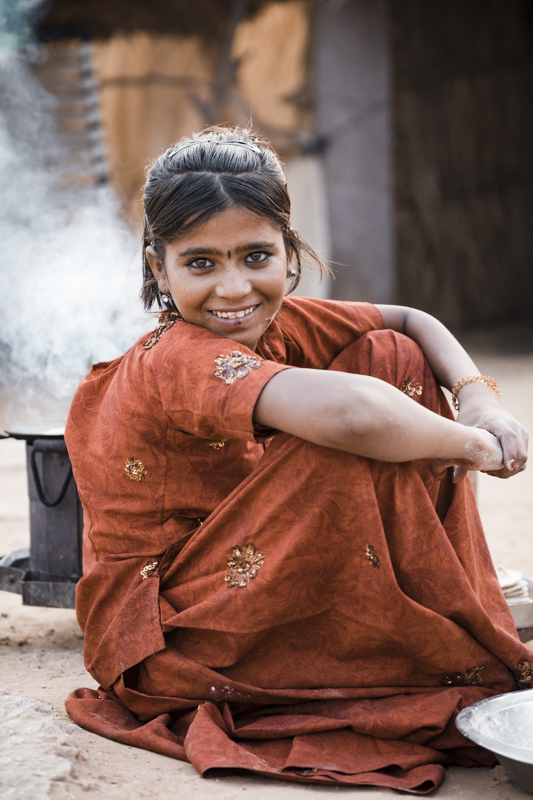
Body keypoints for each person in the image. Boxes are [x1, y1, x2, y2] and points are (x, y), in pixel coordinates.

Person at [65, 127, 530, 794]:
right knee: (350, 435)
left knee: (387, 355)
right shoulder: (176, 356)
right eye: (200, 263)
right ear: (156, 267)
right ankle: (420, 630)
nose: (232, 289)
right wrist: (474, 444)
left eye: (255, 255)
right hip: (171, 639)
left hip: (239, 586)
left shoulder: (284, 323)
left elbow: (409, 320)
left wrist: (479, 400)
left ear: (289, 252)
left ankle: (421, 610)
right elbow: (353, 418)